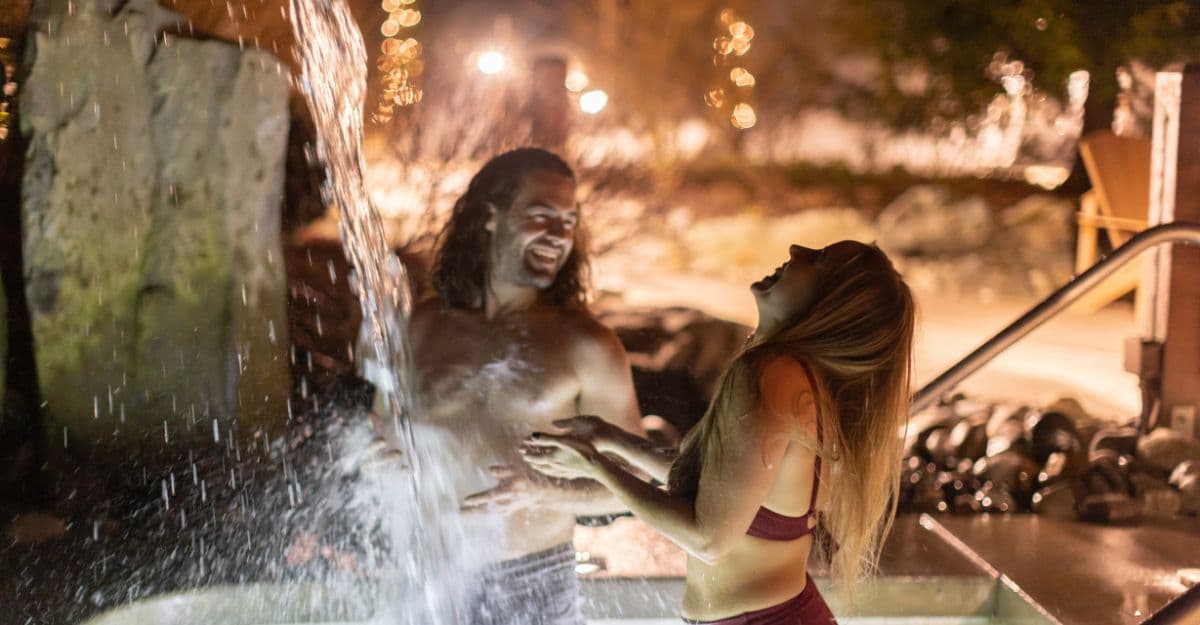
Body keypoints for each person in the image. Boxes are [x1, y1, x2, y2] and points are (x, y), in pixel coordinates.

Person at [522, 241, 915, 625]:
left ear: (831, 303)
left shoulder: (772, 374)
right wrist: (611, 439)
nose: (796, 249)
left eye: (818, 259)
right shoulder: (808, 382)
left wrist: (594, 466)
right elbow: (718, 484)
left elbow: (707, 539)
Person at [363, 147, 644, 625]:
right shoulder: (422, 328)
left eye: (568, 221)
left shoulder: (586, 344)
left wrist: (541, 491)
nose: (559, 235)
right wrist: (371, 460)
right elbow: (381, 437)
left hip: (530, 579)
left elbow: (635, 488)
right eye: (541, 216)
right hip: (427, 572)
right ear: (490, 216)